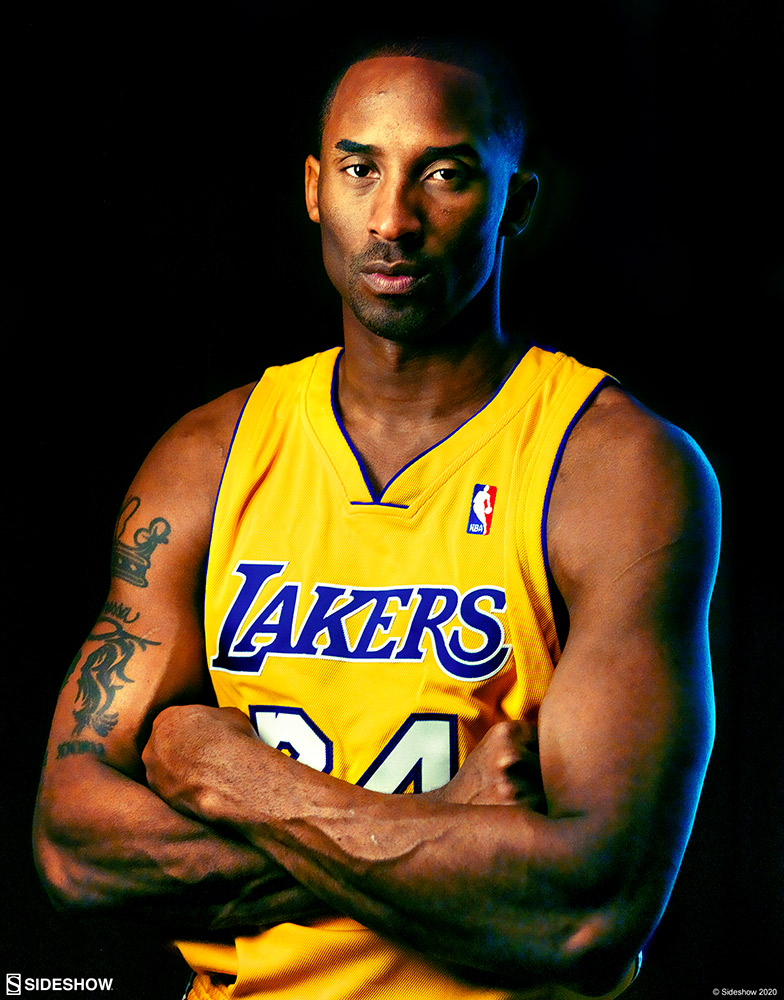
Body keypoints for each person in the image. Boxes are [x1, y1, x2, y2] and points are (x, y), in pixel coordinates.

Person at [33, 35, 721, 1000]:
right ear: (315, 188)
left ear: (516, 202)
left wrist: (241, 783)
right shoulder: (207, 459)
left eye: (444, 175)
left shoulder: (614, 470)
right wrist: (448, 825)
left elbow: (584, 914)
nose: (393, 220)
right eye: (361, 169)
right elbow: (71, 847)